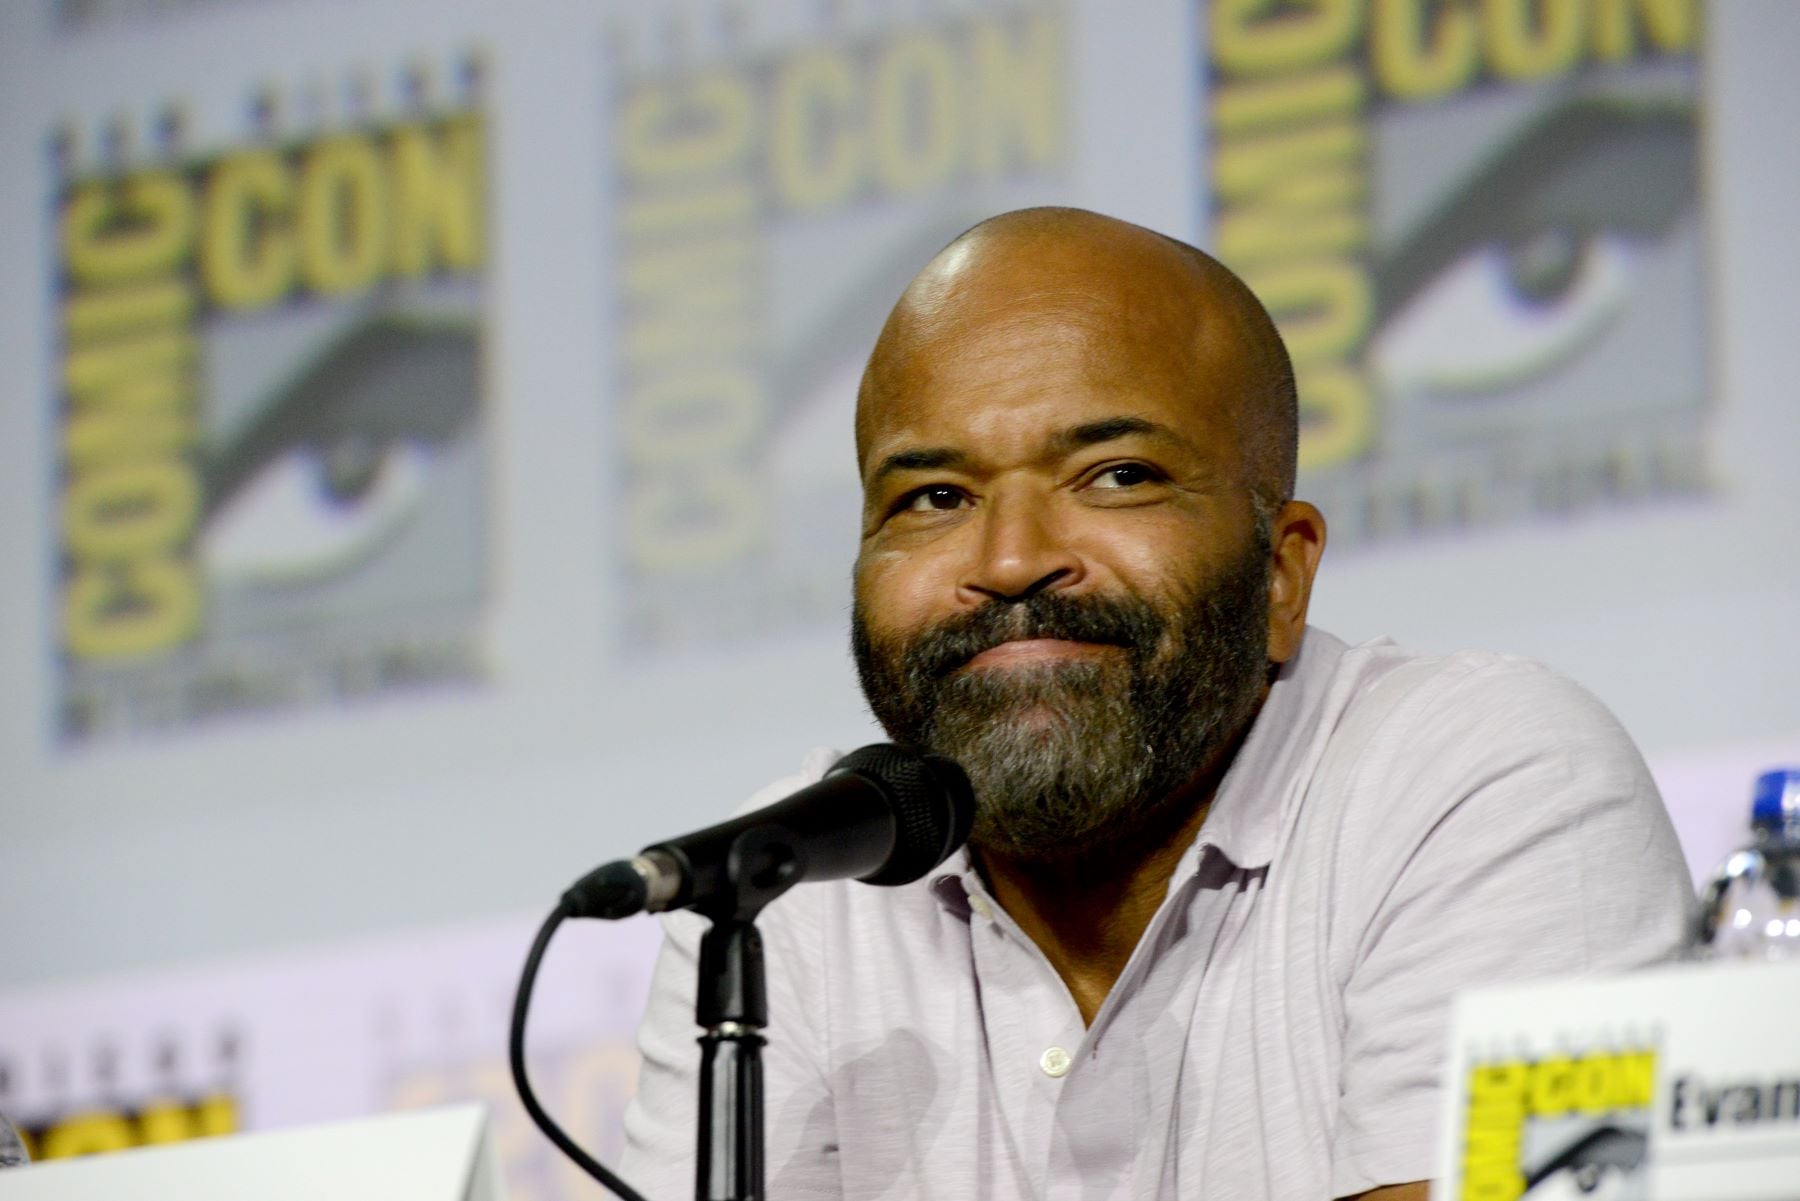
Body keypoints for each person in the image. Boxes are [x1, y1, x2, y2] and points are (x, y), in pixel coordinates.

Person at [618, 208, 1692, 1200]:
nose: (1011, 559)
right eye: (935, 497)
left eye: (1117, 475)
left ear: (1282, 572)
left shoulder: (1486, 781)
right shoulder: (798, 887)